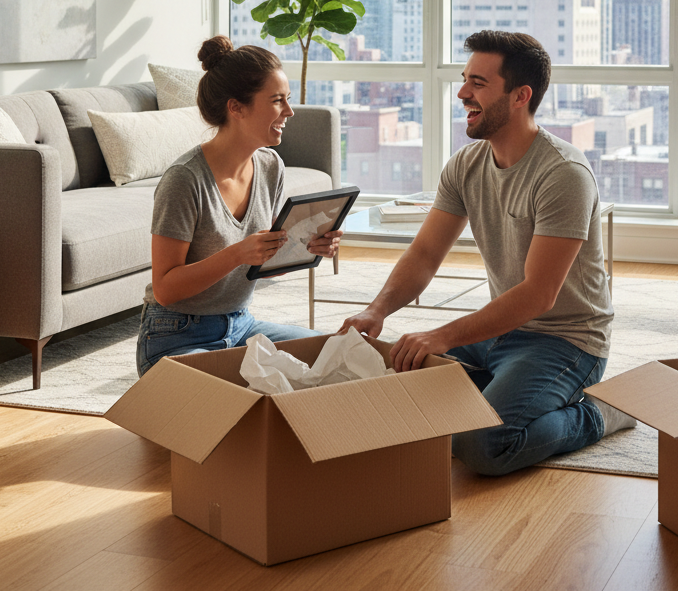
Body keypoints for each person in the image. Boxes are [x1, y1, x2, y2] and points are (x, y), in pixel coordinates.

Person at [339, 30, 633, 475]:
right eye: (464, 80)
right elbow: (424, 254)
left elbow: (539, 295)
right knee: (396, 391)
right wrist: (376, 310)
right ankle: (493, 389)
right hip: (499, 332)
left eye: (478, 83)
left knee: (483, 443)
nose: (462, 93)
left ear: (520, 96)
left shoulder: (563, 174)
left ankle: (601, 413)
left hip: (565, 341)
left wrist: (441, 337)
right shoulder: (466, 164)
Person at [136, 36, 341, 376]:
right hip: (176, 335)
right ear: (236, 107)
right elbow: (166, 288)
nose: (289, 112)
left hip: (242, 326)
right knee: (241, 399)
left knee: (333, 356)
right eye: (277, 101)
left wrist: (307, 246)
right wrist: (238, 253)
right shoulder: (184, 180)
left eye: (287, 100)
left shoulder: (270, 165)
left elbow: (266, 260)